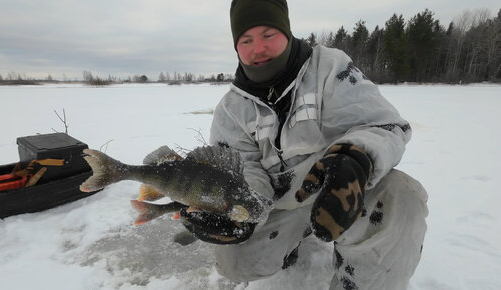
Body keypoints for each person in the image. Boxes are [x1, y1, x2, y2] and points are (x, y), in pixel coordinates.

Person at [180, 0, 428, 289]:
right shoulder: (231, 109)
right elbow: (243, 169)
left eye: (268, 35)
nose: (257, 48)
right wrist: (244, 209)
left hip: (340, 190)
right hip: (279, 204)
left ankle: (361, 280)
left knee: (402, 195)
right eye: (246, 40)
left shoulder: (329, 68)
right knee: (235, 259)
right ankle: (292, 244)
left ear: (286, 32)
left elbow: (383, 125)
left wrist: (356, 158)